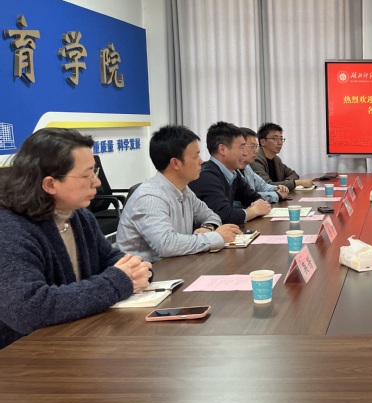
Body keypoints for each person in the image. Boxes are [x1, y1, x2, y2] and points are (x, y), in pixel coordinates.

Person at [0, 128, 151, 348]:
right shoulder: (9, 229)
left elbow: (109, 259)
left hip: (78, 338)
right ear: (50, 184)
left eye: (94, 171)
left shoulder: (79, 215)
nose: (96, 183)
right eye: (86, 175)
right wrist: (117, 282)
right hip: (25, 354)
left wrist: (136, 270)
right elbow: (28, 309)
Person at [116, 125, 243, 262]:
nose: (201, 161)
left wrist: (208, 228)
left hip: (177, 264)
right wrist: (216, 237)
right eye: (196, 156)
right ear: (175, 163)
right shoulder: (149, 198)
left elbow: (211, 215)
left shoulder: (184, 189)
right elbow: (166, 245)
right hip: (148, 270)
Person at [188, 122, 272, 225]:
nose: (245, 153)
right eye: (242, 147)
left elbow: (253, 198)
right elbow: (224, 216)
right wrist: (254, 211)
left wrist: (257, 206)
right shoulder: (206, 176)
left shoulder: (233, 173)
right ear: (222, 149)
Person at [251, 122, 313, 190]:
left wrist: (286, 183)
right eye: (275, 139)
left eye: (281, 139)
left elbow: (293, 174)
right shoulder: (255, 159)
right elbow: (266, 186)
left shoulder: (276, 159)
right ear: (263, 142)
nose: (280, 143)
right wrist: (296, 183)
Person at [238, 127, 289, 204]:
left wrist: (276, 188)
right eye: (252, 146)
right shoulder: (232, 169)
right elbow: (247, 197)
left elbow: (262, 185)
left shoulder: (247, 167)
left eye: (256, 147)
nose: (256, 151)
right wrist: (277, 195)